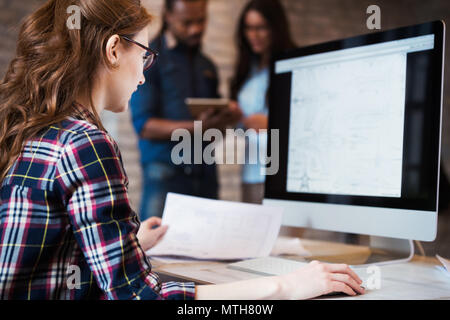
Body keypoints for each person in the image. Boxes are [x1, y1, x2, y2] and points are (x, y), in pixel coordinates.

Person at [0, 0, 364, 300]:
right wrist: (285, 286)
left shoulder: (32, 131)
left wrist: (131, 244)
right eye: (143, 55)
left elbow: (49, 258)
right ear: (113, 50)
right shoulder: (85, 143)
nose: (143, 75)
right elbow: (141, 296)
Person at [129, 0, 240, 220]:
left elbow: (215, 130)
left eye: (201, 20)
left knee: (209, 249)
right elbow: (145, 126)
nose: (196, 29)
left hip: (205, 174)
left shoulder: (207, 65)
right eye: (186, 22)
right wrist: (198, 127)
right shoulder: (149, 59)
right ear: (168, 16)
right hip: (165, 174)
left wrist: (226, 118)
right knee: (155, 248)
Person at [230, 0, 295, 204]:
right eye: (248, 28)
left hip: (281, 174)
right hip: (251, 172)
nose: (253, 35)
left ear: (275, 28)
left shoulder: (292, 64)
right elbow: (244, 128)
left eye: (261, 28)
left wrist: (270, 124)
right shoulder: (249, 69)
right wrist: (234, 117)